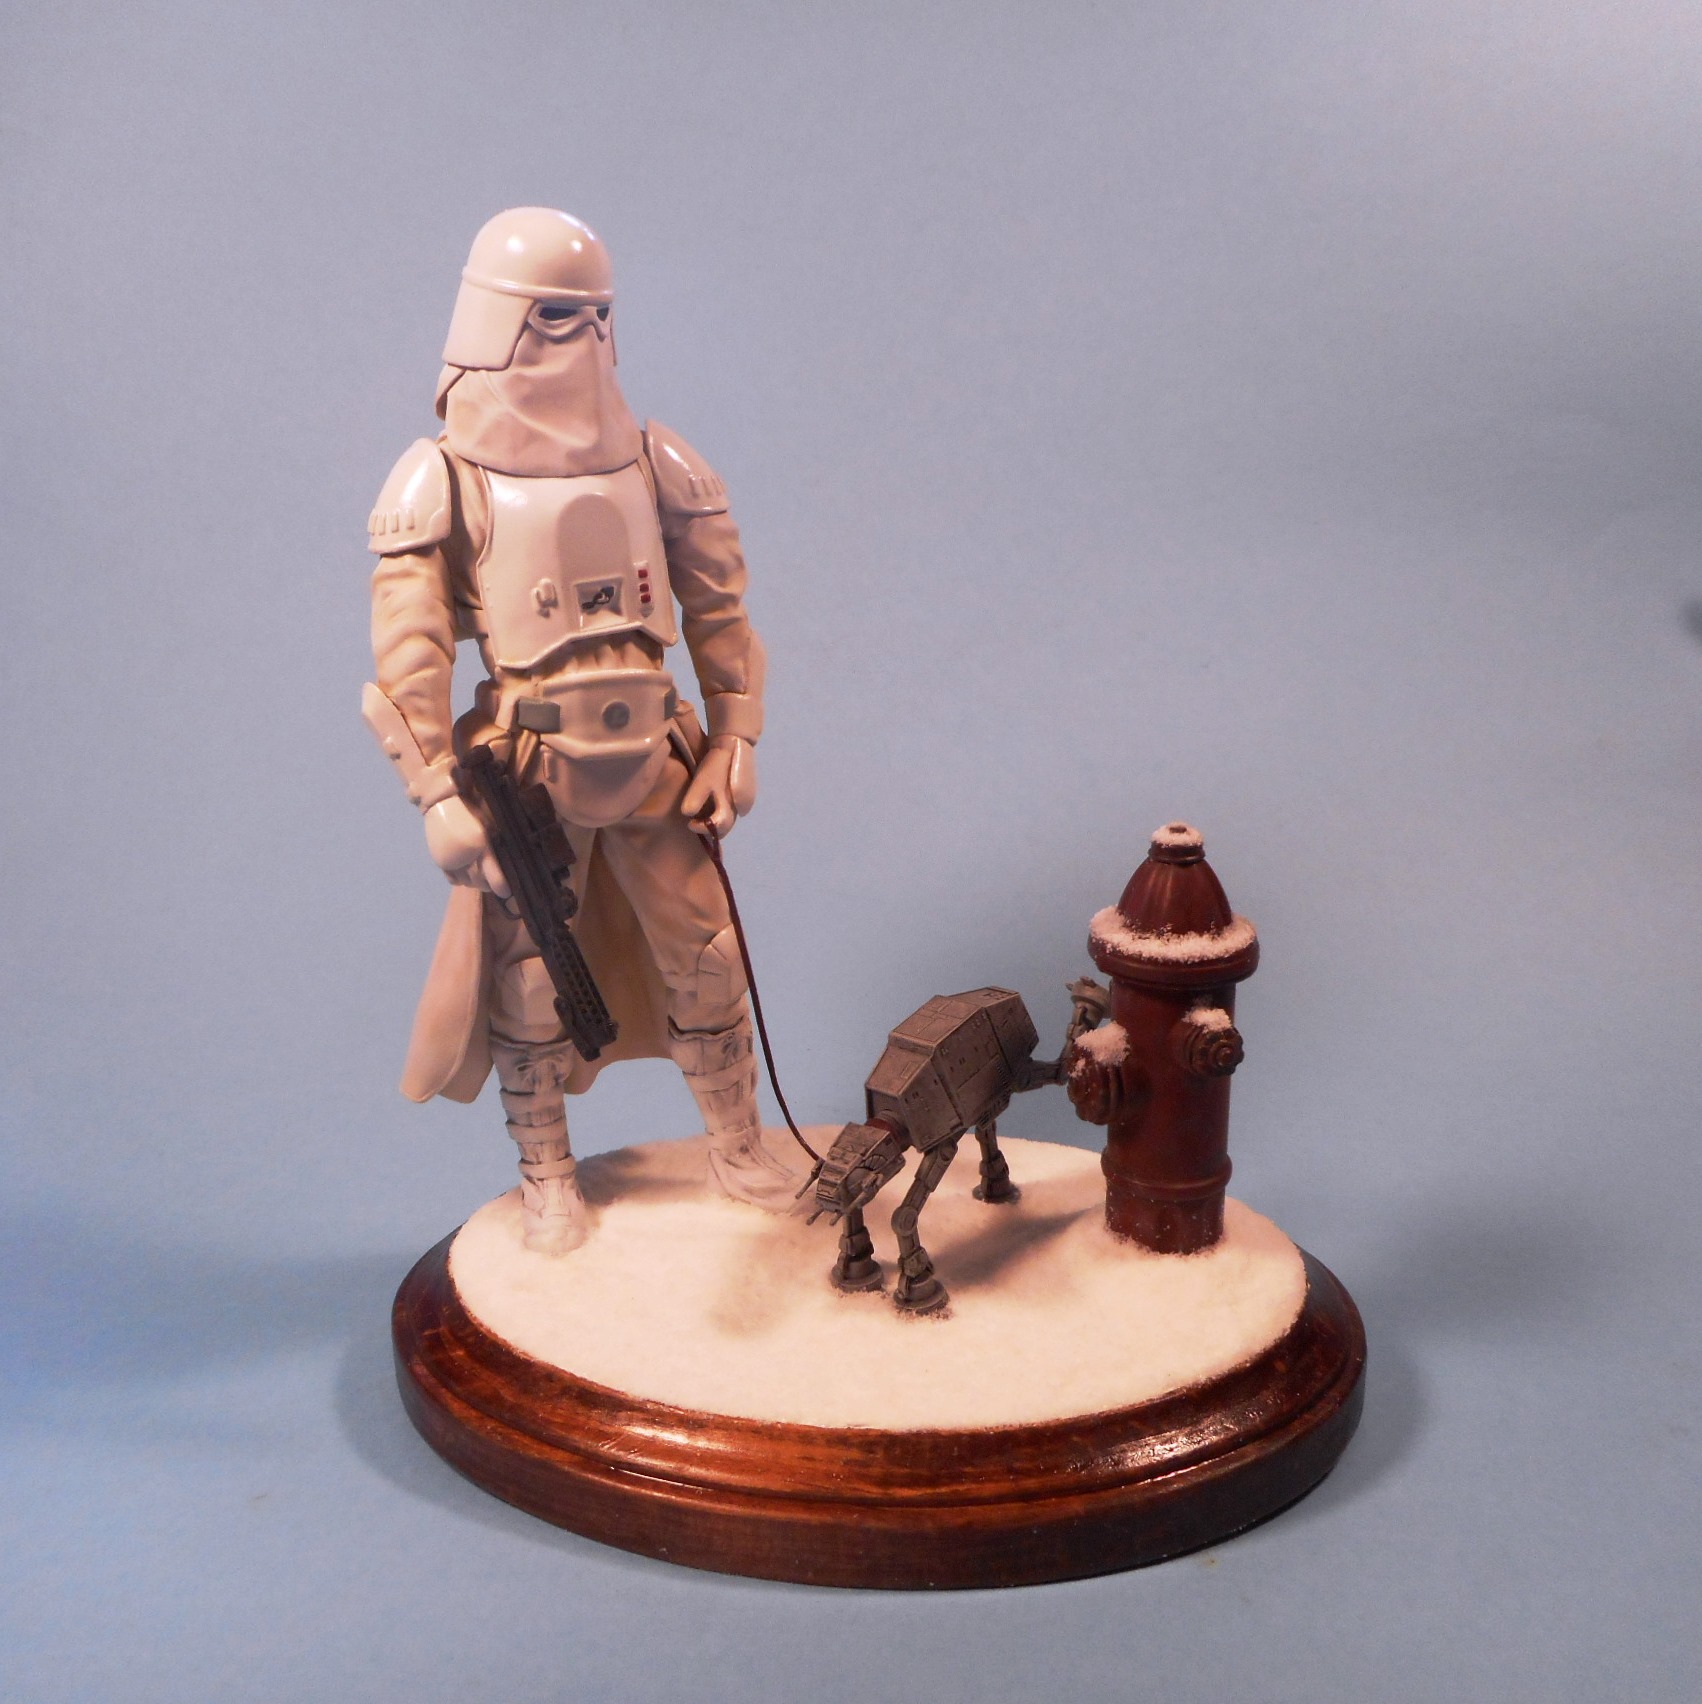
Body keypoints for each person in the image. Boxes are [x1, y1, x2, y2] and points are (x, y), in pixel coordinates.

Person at [362, 207, 798, 1254]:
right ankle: (546, 1174)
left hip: (655, 756)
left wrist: (735, 738)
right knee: (529, 982)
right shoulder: (441, 480)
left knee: (709, 955)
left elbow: (721, 610)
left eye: (594, 317)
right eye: (553, 318)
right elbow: (410, 657)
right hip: (528, 766)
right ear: (494, 324)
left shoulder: (657, 460)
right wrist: (436, 795)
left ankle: (737, 1144)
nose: (579, 340)